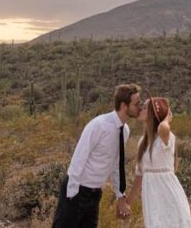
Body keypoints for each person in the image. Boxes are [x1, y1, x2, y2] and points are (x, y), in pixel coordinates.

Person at [53, 83, 142, 227]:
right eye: (137, 103)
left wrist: (120, 195)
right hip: (76, 190)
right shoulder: (99, 125)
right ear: (124, 106)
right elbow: (79, 157)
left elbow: (116, 165)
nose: (140, 106)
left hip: (94, 195)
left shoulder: (124, 131)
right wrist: (72, 194)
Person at [125, 96, 191, 227]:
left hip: (169, 195)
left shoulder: (165, 137)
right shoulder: (142, 143)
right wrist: (127, 203)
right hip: (152, 199)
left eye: (145, 107)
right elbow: (139, 177)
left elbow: (163, 127)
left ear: (153, 114)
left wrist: (166, 119)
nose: (140, 108)